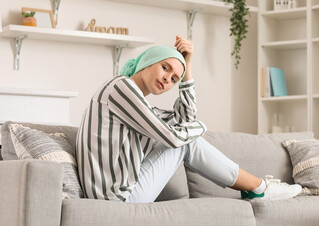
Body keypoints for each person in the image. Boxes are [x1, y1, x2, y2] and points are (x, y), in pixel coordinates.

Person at [76, 36, 302, 203]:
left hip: (120, 195)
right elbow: (176, 138)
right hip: (117, 200)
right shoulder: (121, 87)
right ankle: (258, 188)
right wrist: (201, 128)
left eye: (174, 78)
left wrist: (188, 69)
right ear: (147, 62)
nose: (167, 79)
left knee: (187, 137)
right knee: (187, 140)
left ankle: (257, 188)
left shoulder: (139, 107)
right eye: (165, 68)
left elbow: (186, 119)